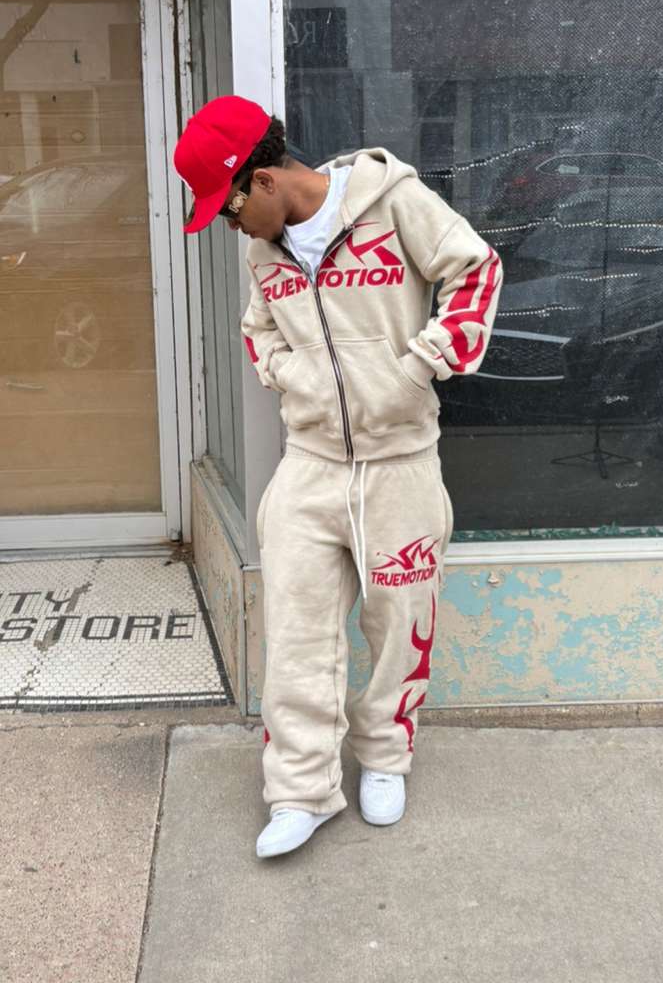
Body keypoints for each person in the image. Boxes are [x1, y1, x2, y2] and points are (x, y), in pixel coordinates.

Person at [174, 95, 503, 858]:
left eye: (229, 209)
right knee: (295, 633)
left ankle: (385, 756)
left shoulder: (393, 203)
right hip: (310, 465)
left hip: (400, 466)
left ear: (262, 180)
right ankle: (300, 790)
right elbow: (258, 331)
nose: (231, 227)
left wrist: (416, 369)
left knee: (398, 624)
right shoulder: (265, 252)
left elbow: (476, 271)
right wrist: (293, 378)